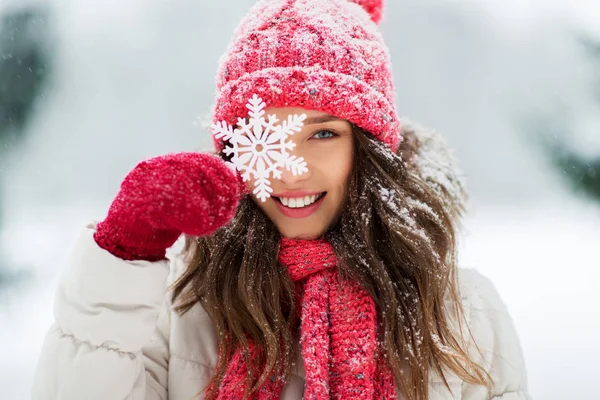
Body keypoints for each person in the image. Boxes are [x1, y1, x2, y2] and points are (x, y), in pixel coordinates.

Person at [31, 0, 531, 399]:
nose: (290, 170)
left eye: (322, 135)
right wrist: (125, 255)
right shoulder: (182, 306)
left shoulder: (459, 310)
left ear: (368, 149)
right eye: (264, 136)